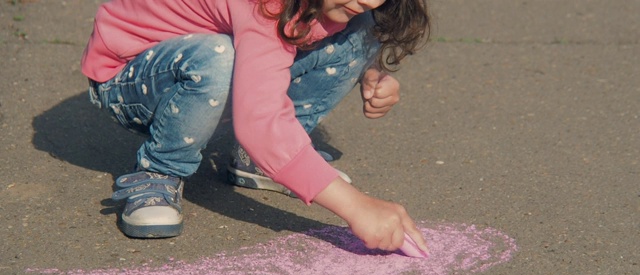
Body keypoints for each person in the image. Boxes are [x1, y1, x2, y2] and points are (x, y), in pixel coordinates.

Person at [82, 0, 431, 254]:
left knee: (363, 24)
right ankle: (158, 171)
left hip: (209, 47)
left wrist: (368, 70)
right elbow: (259, 123)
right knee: (218, 56)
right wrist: (356, 207)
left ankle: (257, 160)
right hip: (130, 76)